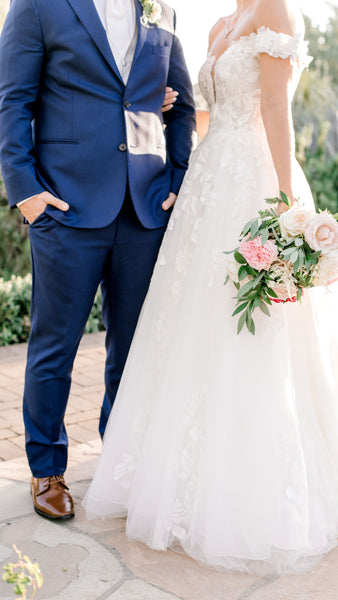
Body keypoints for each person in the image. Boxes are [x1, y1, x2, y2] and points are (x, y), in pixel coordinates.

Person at [84, 0, 338, 575]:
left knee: (250, 326)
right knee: (189, 323)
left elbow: (277, 110)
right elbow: (210, 116)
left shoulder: (277, 12)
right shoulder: (220, 23)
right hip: (208, 182)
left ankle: (254, 484)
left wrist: (286, 211)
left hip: (255, 182)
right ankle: (181, 471)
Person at [0, 0, 196, 520]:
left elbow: (180, 106)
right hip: (64, 206)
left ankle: (121, 461)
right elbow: (13, 100)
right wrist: (26, 192)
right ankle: (47, 470)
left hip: (144, 207)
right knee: (54, 347)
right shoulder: (37, 5)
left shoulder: (162, 8)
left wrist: (178, 180)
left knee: (133, 349)